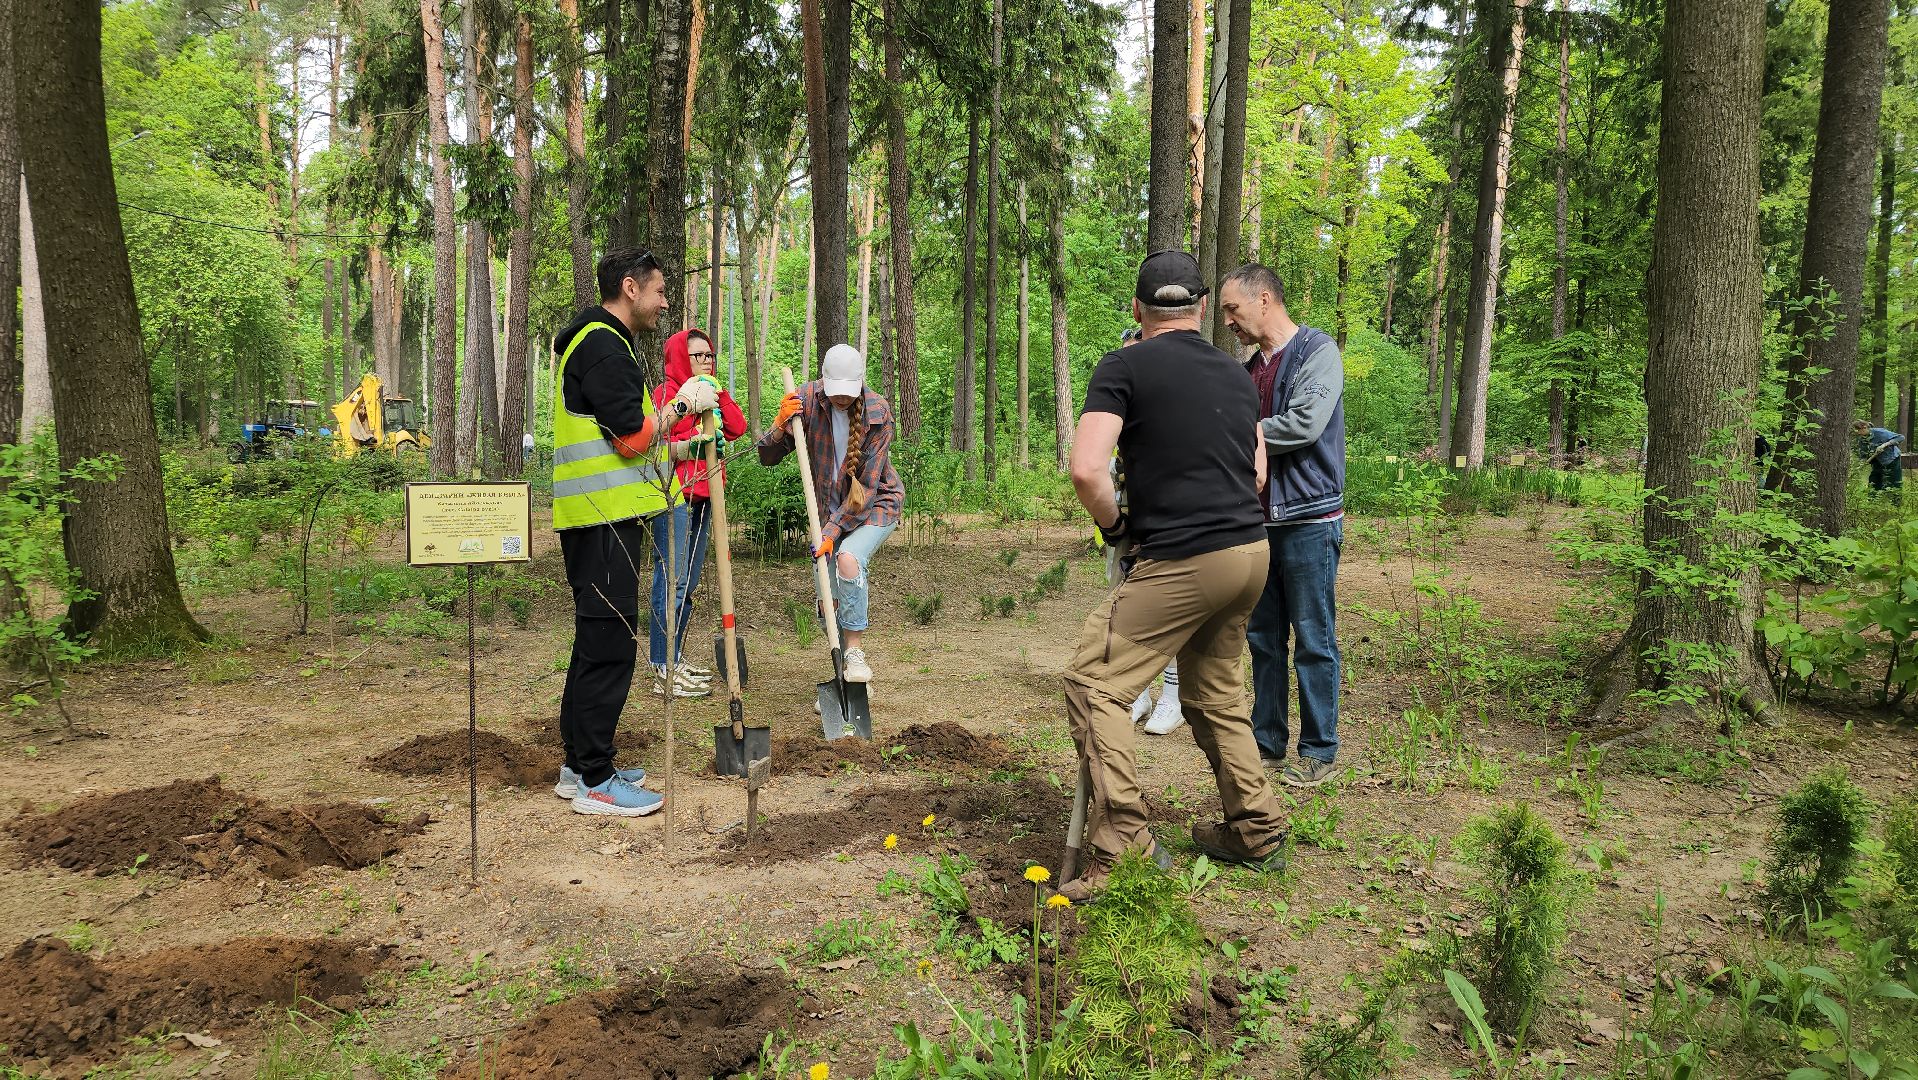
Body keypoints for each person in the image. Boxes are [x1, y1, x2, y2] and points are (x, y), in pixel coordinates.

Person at [1059, 250, 1289, 902]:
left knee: (1093, 682)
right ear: (1203, 309)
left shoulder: (1123, 365)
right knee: (1214, 695)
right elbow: (1259, 473)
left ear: (1137, 310)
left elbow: (1086, 469)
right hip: (1249, 553)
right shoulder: (1236, 373)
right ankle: (1257, 829)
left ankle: (1123, 844)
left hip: (1186, 558)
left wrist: (1116, 527)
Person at [548, 248, 719, 818]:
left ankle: (579, 766)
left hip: (600, 517)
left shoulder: (602, 344)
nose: (666, 301)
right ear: (629, 287)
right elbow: (629, 439)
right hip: (601, 520)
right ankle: (596, 780)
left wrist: (685, 445)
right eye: (660, 290)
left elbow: (624, 442)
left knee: (595, 641)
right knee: (611, 646)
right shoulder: (603, 343)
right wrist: (680, 408)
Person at [1219, 263, 1346, 789]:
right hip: (1259, 520)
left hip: (1309, 520)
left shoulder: (1319, 353)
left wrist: (1244, 429)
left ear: (1264, 299)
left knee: (1313, 637)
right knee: (1264, 638)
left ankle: (1318, 749)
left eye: (1232, 308)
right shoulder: (1249, 370)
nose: (1227, 320)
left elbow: (1304, 423)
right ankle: (1266, 740)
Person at [758, 344, 903, 683]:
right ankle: (842, 678)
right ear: (824, 382)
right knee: (828, 595)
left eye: (847, 393)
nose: (841, 399)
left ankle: (854, 655)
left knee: (848, 560)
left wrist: (832, 532)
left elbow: (864, 492)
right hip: (825, 511)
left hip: (874, 504)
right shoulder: (806, 400)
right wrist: (780, 425)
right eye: (835, 392)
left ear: (860, 383)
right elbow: (766, 456)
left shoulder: (878, 413)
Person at [645, 329, 748, 697]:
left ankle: (675, 656)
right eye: (697, 356)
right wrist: (689, 437)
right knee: (669, 582)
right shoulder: (665, 396)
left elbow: (738, 427)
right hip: (673, 498)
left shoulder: (710, 392)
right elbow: (654, 444)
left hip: (706, 498)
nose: (706, 361)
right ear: (678, 358)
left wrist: (716, 394)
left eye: (710, 355)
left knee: (686, 586)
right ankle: (663, 667)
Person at [1108, 326, 1184, 736]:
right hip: (1126, 523)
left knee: (1164, 612)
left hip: (1166, 529)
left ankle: (1173, 695)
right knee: (1123, 607)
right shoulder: (1119, 398)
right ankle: (1137, 693)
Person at [1853, 420, 1905, 492]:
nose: (1858, 433)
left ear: (1864, 427)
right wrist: (1861, 464)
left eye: (1858, 430)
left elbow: (1901, 437)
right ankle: (1873, 501)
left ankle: (1896, 501)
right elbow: (1864, 455)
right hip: (1877, 462)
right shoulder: (1862, 440)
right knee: (1874, 483)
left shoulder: (1880, 432)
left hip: (1892, 460)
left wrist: (1884, 445)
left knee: (1895, 483)